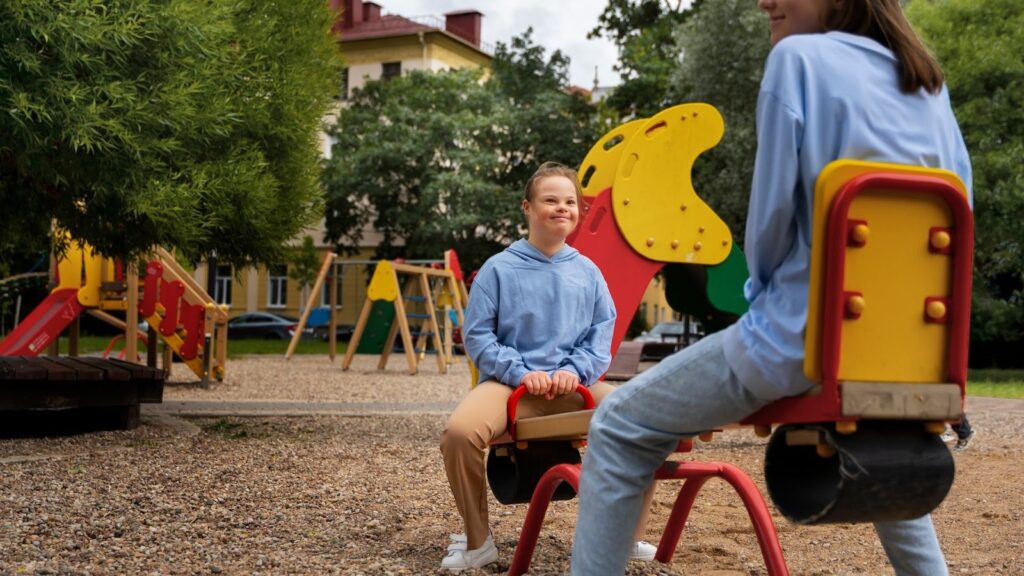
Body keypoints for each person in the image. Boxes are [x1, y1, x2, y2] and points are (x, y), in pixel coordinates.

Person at [570, 0, 972, 574]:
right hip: (903, 353)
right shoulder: (928, 85)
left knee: (617, 427)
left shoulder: (798, 58)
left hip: (795, 341)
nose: (764, 2)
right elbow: (957, 221)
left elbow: (769, 223)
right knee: (876, 430)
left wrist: (760, 300)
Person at [439, 162, 658, 571]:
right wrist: (521, 372)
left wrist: (575, 369)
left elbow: (600, 335)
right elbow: (479, 337)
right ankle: (478, 540)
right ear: (528, 207)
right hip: (512, 389)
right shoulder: (499, 269)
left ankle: (624, 537)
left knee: (641, 425)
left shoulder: (588, 272)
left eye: (570, 202)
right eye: (550, 200)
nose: (562, 208)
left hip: (575, 388)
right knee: (459, 433)